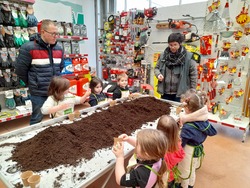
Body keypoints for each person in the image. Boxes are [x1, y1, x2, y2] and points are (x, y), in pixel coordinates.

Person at [15, 19, 64, 125]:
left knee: (56, 115)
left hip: (55, 91)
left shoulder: (59, 49)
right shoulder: (28, 48)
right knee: (37, 119)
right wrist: (33, 83)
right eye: (53, 33)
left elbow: (60, 67)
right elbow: (20, 70)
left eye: (57, 33)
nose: (55, 36)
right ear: (43, 32)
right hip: (38, 92)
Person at [177, 90, 217, 188]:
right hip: (197, 149)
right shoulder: (203, 120)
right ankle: (191, 185)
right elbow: (212, 132)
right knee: (192, 169)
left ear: (188, 109)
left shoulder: (188, 126)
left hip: (188, 151)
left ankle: (184, 186)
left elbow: (180, 144)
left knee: (185, 171)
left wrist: (180, 129)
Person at [154, 32, 197, 102]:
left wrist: (192, 91)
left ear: (180, 44)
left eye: (175, 45)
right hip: (165, 93)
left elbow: (193, 75)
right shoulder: (163, 56)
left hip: (181, 94)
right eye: (170, 45)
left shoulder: (188, 57)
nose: (172, 47)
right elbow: (156, 68)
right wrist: (158, 74)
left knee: (179, 112)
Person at [157, 115, 185, 188]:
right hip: (171, 176)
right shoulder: (178, 144)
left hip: (162, 178)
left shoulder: (160, 150)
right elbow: (181, 155)